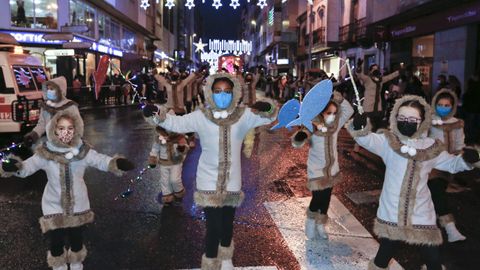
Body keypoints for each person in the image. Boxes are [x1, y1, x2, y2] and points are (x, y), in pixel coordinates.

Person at [142, 73, 277, 269]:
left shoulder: (243, 116)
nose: (223, 95)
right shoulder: (201, 116)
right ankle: (211, 262)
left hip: (232, 181)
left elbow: (269, 117)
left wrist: (268, 107)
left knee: (227, 224)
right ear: (210, 93)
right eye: (218, 91)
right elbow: (175, 123)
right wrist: (156, 112)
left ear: (235, 93)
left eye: (227, 92)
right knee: (213, 227)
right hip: (207, 180)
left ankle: (227, 259)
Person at [347, 95, 478, 270]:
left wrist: (467, 160)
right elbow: (366, 139)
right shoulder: (388, 141)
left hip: (421, 213)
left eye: (411, 119)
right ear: (395, 118)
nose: (406, 122)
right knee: (383, 258)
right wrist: (359, 127)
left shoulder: (431, 147)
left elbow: (453, 164)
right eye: (401, 118)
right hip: (392, 212)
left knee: (433, 259)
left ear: (422, 122)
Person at [1, 111, 135, 270]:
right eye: (61, 128)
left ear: (76, 129)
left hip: (78, 204)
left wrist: (115, 163)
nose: (66, 132)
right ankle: (59, 265)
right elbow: (27, 168)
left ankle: (77, 262)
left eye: (70, 128)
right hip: (53, 204)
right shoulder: (45, 153)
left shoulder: (83, 151)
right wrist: (15, 167)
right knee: (55, 239)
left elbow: (100, 160)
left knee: (76, 237)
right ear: (54, 130)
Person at [291, 91, 354, 239]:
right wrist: (300, 137)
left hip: (332, 171)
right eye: (328, 113)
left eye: (334, 113)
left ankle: (320, 225)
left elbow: (349, 110)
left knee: (326, 199)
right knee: (317, 198)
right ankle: (310, 223)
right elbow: (297, 142)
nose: (332, 115)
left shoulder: (335, 126)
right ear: (321, 112)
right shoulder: (312, 126)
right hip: (316, 171)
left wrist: (340, 98)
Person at [428, 89, 466, 242]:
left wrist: (460, 161)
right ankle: (450, 229)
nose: (443, 107)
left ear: (452, 106)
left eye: (447, 105)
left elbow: (459, 144)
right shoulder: (429, 121)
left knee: (435, 194)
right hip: (431, 164)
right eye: (440, 104)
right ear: (435, 104)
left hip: (448, 165)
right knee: (437, 192)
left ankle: (434, 220)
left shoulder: (457, 123)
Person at [23, 76, 83, 147]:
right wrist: (33, 136)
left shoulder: (70, 106)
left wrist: (73, 140)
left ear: (60, 90)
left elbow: (79, 125)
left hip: (68, 144)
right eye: (48, 89)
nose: (49, 91)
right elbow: (41, 125)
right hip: (51, 145)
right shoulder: (45, 107)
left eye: (52, 89)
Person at [148, 125, 189, 205]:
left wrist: (182, 147)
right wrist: (153, 157)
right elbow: (155, 148)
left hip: (176, 162)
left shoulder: (179, 138)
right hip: (164, 163)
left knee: (174, 179)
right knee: (165, 180)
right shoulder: (159, 138)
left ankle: (179, 191)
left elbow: (185, 149)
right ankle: (167, 196)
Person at [355, 59, 400, 131]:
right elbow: (360, 75)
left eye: (377, 68)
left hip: (378, 107)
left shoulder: (381, 80)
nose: (376, 70)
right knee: (367, 126)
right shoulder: (367, 79)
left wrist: (398, 71)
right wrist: (359, 66)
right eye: (374, 68)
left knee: (376, 126)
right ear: (370, 71)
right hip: (368, 107)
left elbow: (390, 76)